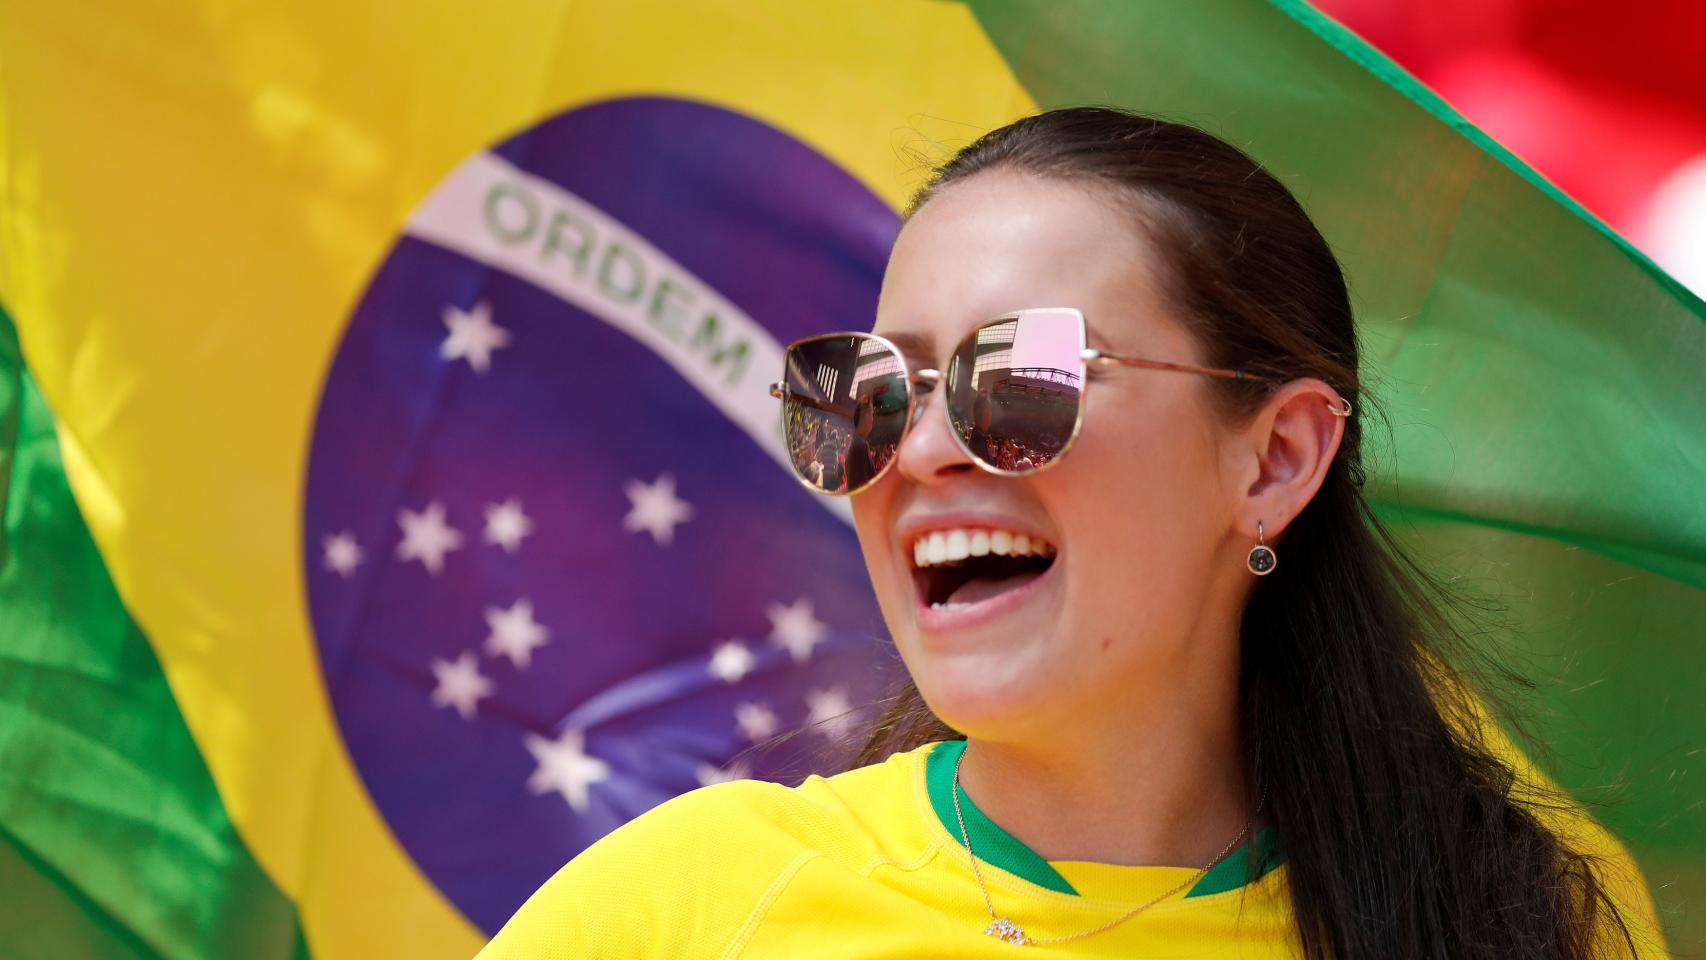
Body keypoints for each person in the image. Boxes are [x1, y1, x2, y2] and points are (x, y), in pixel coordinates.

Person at [477, 107, 1668, 957]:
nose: (921, 452)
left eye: (1020, 378)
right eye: (872, 393)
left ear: (1275, 458)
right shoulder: (685, 908)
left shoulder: (1519, 915)